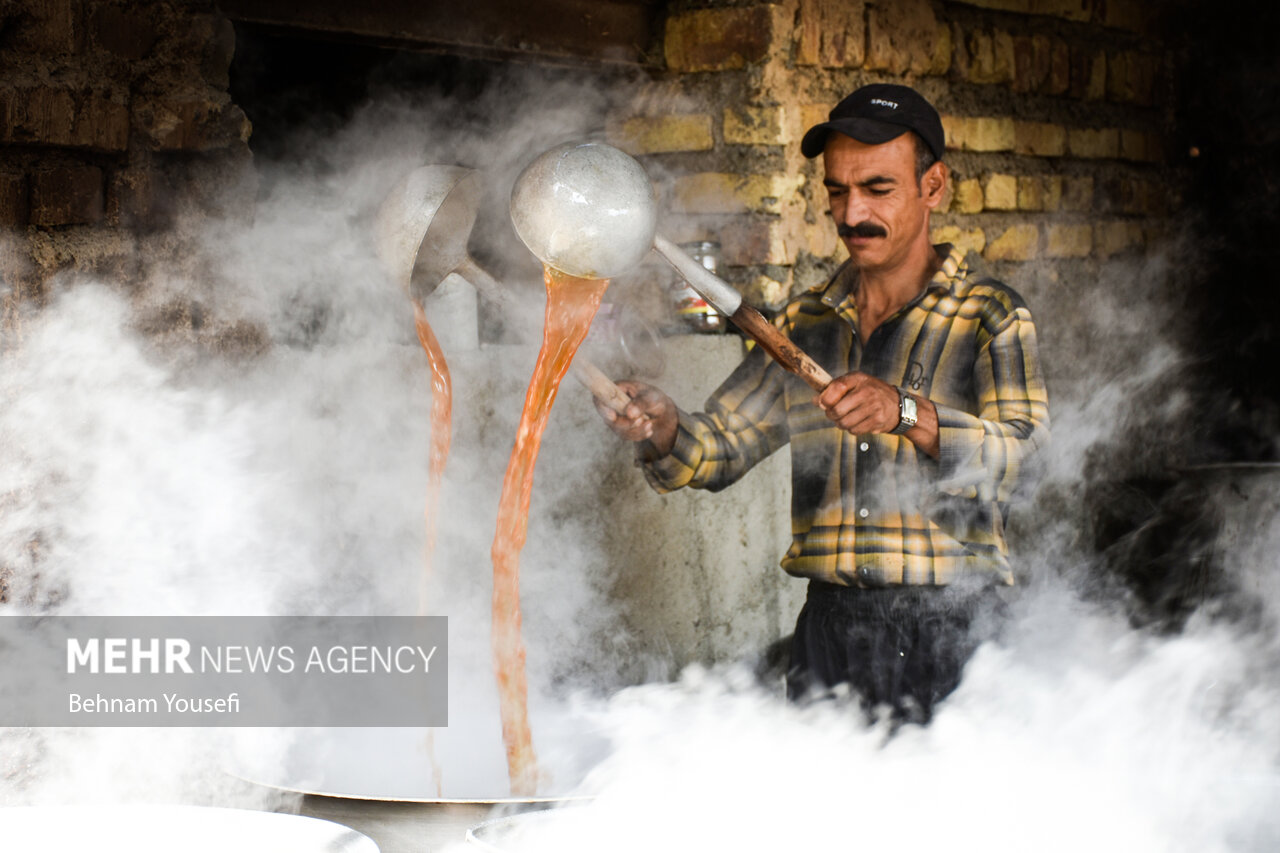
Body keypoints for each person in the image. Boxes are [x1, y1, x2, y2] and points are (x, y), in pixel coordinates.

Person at [597, 83, 1050, 724]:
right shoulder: (804, 322)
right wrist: (665, 426)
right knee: (825, 822)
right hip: (830, 632)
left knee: (947, 822)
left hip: (952, 629)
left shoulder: (990, 314)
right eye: (837, 190)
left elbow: (1027, 463)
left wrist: (909, 414)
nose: (851, 212)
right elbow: (720, 446)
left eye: (877, 188)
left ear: (934, 187)